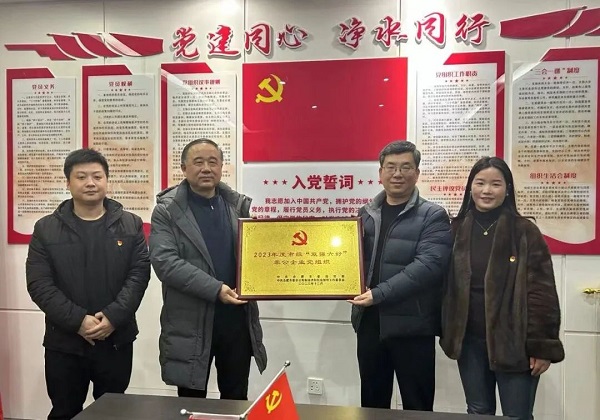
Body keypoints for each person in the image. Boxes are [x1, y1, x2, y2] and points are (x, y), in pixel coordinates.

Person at [26, 148, 151, 420]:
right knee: (64, 411)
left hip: (115, 339)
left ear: (107, 180)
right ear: (68, 183)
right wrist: (78, 321)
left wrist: (113, 317)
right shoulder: (45, 228)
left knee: (113, 413)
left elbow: (139, 275)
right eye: (81, 177)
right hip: (65, 342)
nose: (90, 183)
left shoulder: (130, 225)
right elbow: (39, 284)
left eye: (97, 176)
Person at [440, 156, 565, 420]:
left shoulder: (525, 231)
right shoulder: (456, 228)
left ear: (507, 189)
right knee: (478, 412)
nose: (487, 190)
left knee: (517, 415)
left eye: (495, 184)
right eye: (480, 183)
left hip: (516, 344)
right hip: (470, 342)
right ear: (470, 187)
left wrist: (541, 347)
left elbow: (542, 294)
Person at [149, 138, 267, 399]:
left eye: (213, 162)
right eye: (198, 162)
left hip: (236, 319)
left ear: (222, 167)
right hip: (190, 321)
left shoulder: (237, 207)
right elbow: (165, 263)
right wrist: (216, 289)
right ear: (183, 168)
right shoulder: (167, 211)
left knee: (236, 397)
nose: (206, 168)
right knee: (191, 400)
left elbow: (256, 257)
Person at [348, 140, 452, 411]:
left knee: (417, 406)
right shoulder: (365, 214)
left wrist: (379, 294)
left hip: (413, 326)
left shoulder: (433, 215)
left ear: (417, 173)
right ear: (380, 173)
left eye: (406, 167)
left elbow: (428, 266)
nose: (397, 174)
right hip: (370, 323)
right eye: (391, 167)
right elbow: (348, 259)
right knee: (372, 404)